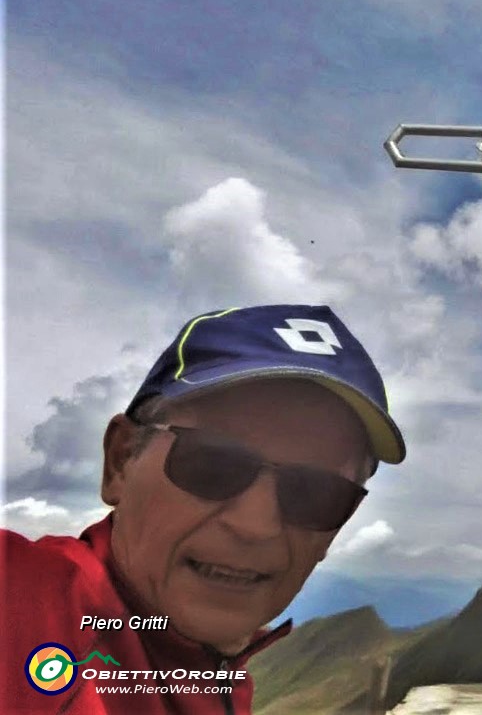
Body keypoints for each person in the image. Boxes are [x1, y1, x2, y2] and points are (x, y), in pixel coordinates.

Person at [2, 305, 406, 714]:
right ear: (120, 462)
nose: (256, 525)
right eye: (212, 464)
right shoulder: (24, 601)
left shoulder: (220, 671)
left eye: (318, 492)